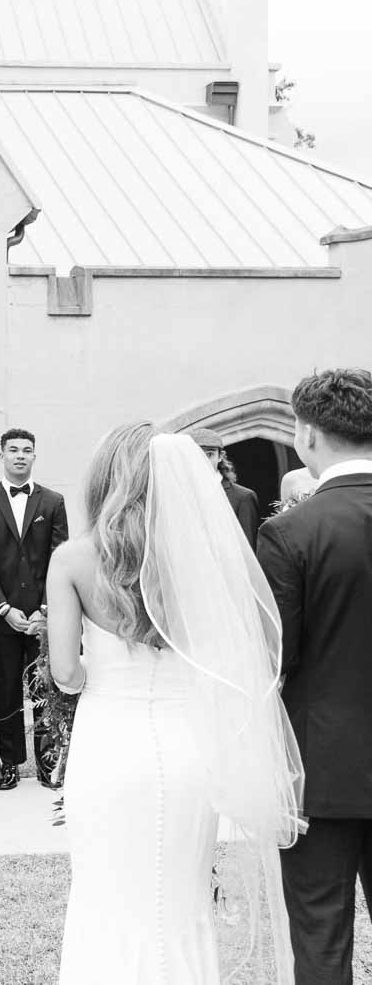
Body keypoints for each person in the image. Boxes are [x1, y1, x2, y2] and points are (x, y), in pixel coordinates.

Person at [50, 424, 303, 983]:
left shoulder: (73, 560)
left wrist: (103, 671)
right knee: (181, 897)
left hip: (109, 746)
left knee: (106, 889)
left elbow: (65, 674)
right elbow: (237, 651)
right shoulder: (198, 562)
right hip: (187, 746)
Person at [258, 368, 372, 983]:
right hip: (324, 774)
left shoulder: (289, 532)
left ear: (307, 435)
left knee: (321, 941)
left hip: (318, 775)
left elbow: (274, 662)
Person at [0, 427, 69, 791]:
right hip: (3, 617)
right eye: (13, 450)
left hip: (43, 618)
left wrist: (45, 609)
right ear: (2, 455)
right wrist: (3, 608)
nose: (20, 456)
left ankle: (48, 764)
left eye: (27, 450)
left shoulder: (53, 501)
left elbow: (60, 559)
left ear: (34, 456)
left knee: (45, 690)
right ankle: (8, 763)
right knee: (7, 691)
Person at [189, 428, 260, 549]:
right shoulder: (180, 493)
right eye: (197, 454)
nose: (203, 461)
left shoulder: (243, 497)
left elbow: (249, 550)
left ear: (220, 456)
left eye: (209, 454)